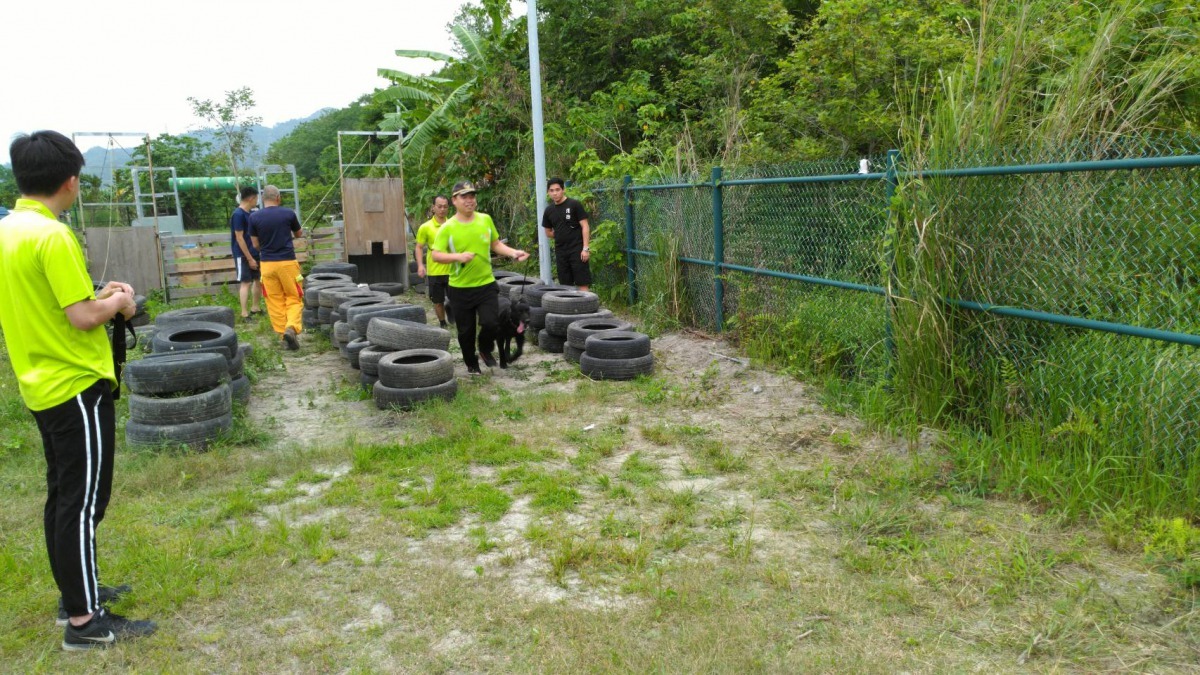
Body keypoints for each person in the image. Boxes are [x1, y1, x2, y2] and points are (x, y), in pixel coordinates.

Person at [0, 131, 156, 650]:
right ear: (70, 181)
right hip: (75, 383)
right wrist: (118, 301)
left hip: (39, 381)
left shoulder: (10, 230)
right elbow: (83, 316)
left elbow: (51, 303)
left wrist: (97, 296)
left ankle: (75, 598)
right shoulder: (53, 235)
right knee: (84, 503)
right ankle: (86, 623)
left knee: (63, 497)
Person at [431, 181, 530, 374]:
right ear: (454, 200)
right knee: (465, 331)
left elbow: (495, 244)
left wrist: (512, 253)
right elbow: (436, 255)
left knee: (492, 323)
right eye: (464, 197)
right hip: (460, 288)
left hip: (486, 284)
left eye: (472, 196)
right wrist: (457, 257)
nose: (469, 200)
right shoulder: (448, 228)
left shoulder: (485, 219)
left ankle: (484, 349)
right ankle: (471, 363)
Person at [249, 185, 303, 350]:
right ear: (278, 198)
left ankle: (283, 336)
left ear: (263, 199)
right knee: (294, 297)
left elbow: (255, 244)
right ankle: (291, 327)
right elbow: (298, 234)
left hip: (267, 265)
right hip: (287, 263)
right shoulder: (288, 213)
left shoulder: (254, 217)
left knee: (274, 300)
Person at [541, 177, 592, 291]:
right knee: (564, 285)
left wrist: (585, 248)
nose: (555, 193)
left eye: (557, 189)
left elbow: (585, 226)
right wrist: (561, 234)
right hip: (561, 251)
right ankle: (569, 308)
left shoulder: (574, 204)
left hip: (578, 250)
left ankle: (586, 306)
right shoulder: (549, 210)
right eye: (552, 190)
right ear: (548, 192)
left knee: (582, 282)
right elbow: (548, 232)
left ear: (563, 189)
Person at [415, 195, 452, 328]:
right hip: (434, 271)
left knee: (457, 299)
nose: (442, 209)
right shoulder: (425, 227)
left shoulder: (453, 224)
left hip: (453, 270)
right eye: (439, 206)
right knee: (437, 301)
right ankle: (443, 323)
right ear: (433, 208)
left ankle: (454, 315)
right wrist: (420, 265)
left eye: (445, 206)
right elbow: (419, 247)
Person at [230, 185, 262, 321]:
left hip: (254, 252)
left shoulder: (251, 213)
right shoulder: (238, 214)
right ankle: (244, 313)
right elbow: (239, 238)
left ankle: (255, 307)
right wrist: (249, 258)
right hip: (242, 254)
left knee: (258, 280)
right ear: (251, 198)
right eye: (256, 198)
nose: (257, 201)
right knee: (246, 282)